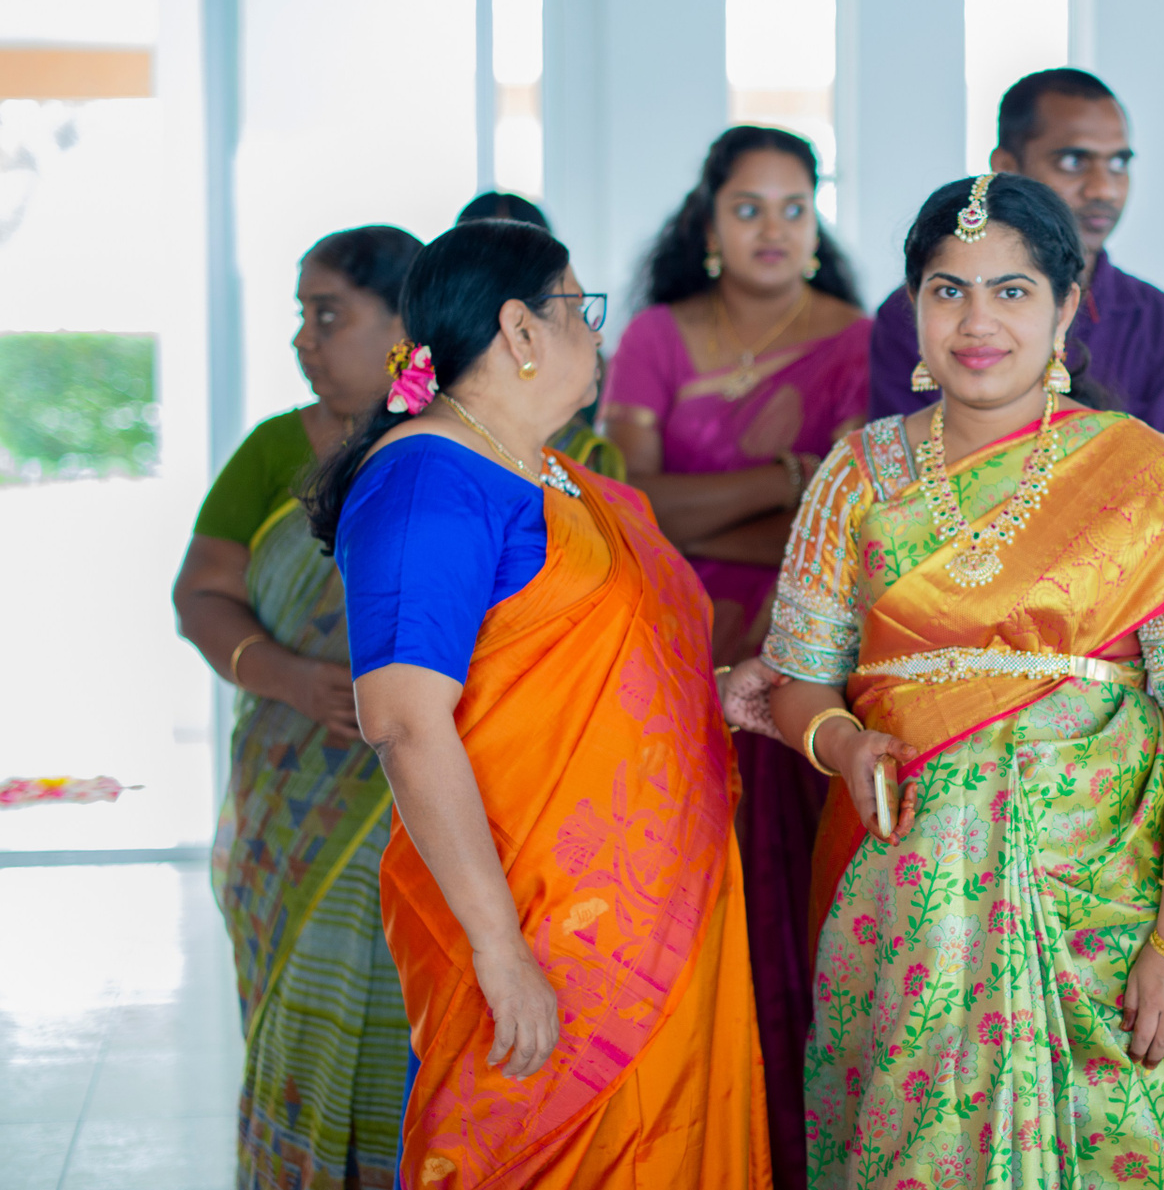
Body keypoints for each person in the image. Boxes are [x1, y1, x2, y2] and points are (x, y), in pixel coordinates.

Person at [765, 175, 1164, 1186]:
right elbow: (797, 680)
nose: (977, 322)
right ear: (914, 308)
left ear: (1065, 309)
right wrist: (839, 740)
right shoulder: (855, 478)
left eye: (1011, 291)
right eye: (948, 290)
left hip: (1111, 915)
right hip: (911, 920)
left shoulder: (1141, 481)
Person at [308, 219, 775, 1188]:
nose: (598, 332)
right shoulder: (428, 481)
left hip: (655, 901)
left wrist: (716, 694)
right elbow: (402, 720)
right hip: (538, 920)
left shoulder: (561, 478)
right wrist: (499, 948)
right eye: (580, 308)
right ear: (520, 329)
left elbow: (600, 672)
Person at [598, 125, 867, 1188]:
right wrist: (787, 478)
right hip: (673, 657)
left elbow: (845, 529)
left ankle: (789, 1146)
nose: (773, 228)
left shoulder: (858, 340)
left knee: (788, 902)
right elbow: (631, 502)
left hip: (802, 664)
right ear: (707, 220)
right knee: (677, 895)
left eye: (794, 206)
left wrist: (705, 514)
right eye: (748, 207)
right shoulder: (657, 335)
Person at [172, 224, 422, 1189]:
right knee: (295, 1019)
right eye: (302, 316)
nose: (303, 340)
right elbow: (200, 593)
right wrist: (289, 676)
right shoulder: (276, 449)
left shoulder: (455, 447)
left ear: (404, 328)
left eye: (328, 315)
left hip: (427, 799)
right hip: (293, 793)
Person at [868, 68, 1164, 470]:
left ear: (1067, 307)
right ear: (1007, 166)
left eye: (1118, 163)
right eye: (1073, 161)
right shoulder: (919, 316)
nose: (1103, 189)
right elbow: (903, 481)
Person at [456, 190, 626, 480]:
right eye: (485, 252)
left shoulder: (588, 363)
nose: (505, 270)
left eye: (521, 250)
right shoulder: (446, 379)